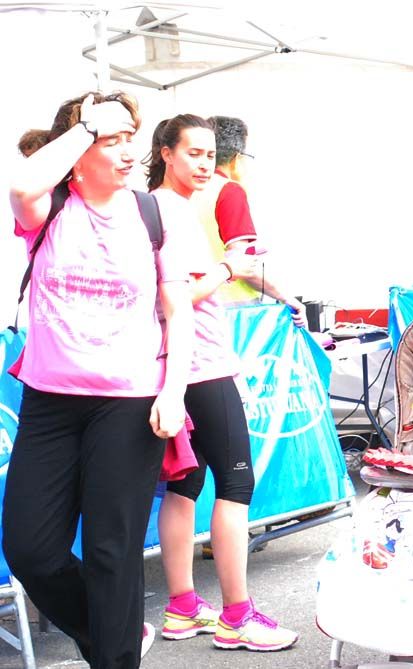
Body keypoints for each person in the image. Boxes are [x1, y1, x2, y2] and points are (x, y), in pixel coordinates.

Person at [3, 92, 194, 668]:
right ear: (78, 153)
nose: (128, 151)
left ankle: (114, 656)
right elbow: (19, 186)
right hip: (50, 402)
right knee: (31, 550)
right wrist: (87, 126)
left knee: (114, 552)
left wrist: (174, 390)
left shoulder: (152, 214)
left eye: (128, 137)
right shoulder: (51, 208)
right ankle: (114, 634)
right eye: (112, 141)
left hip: (129, 403)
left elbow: (177, 309)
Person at [146, 114, 299, 650]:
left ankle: (184, 607)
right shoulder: (168, 210)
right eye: (193, 153)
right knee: (235, 486)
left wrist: (254, 279)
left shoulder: (163, 206)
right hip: (199, 365)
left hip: (176, 365)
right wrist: (230, 267)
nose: (205, 163)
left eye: (211, 153)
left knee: (185, 484)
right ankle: (237, 616)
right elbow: (176, 297)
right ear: (165, 153)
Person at [190, 116, 306, 325]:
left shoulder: (184, 190)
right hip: (232, 316)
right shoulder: (228, 191)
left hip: (192, 311)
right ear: (236, 158)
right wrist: (286, 297)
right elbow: (245, 267)